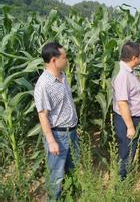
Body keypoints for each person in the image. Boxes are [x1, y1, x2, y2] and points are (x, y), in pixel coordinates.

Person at [34, 42, 79, 200]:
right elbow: (43, 116)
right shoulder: (44, 84)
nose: (67, 60)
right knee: (56, 177)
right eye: (64, 57)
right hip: (58, 136)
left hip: (71, 132)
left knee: (72, 170)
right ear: (53, 60)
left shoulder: (62, 76)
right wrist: (51, 141)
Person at [112, 41, 140, 179]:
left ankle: (124, 176)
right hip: (127, 120)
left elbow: (131, 88)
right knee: (126, 151)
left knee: (129, 149)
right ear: (134, 58)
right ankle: (122, 182)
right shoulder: (123, 75)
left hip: (132, 118)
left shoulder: (128, 71)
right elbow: (122, 103)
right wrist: (130, 127)